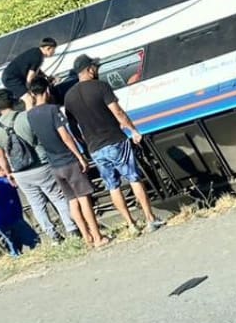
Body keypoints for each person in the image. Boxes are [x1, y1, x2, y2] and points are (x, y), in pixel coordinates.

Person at [64, 54, 165, 234]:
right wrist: (133, 130)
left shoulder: (69, 97)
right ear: (90, 69)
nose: (97, 70)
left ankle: (131, 224)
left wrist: (85, 142)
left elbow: (73, 127)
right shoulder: (101, 86)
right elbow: (117, 112)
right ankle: (150, 218)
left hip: (95, 148)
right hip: (115, 140)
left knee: (113, 186)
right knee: (133, 178)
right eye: (95, 67)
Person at [27, 76, 110, 248]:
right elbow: (65, 136)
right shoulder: (53, 110)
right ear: (47, 90)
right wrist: (80, 156)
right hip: (68, 160)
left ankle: (86, 237)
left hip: (54, 165)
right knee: (84, 199)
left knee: (72, 201)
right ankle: (97, 236)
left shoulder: (30, 115)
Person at [0, 88, 79, 243]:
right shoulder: (26, 117)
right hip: (41, 164)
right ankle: (72, 229)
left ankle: (53, 236)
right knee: (57, 197)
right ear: (13, 101)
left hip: (19, 172)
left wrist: (8, 172)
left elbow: (0, 156)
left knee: (36, 204)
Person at [0, 160, 36, 257]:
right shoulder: (7, 182)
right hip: (13, 218)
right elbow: (16, 184)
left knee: (13, 244)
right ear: (2, 169)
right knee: (34, 240)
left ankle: (15, 255)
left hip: (0, 220)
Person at [1, 37, 58, 110]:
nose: (54, 52)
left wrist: (47, 77)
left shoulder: (36, 52)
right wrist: (30, 90)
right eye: (53, 50)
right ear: (48, 48)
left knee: (32, 97)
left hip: (11, 76)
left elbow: (37, 71)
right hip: (11, 78)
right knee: (29, 99)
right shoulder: (38, 57)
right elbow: (30, 78)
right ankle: (32, 118)